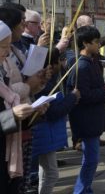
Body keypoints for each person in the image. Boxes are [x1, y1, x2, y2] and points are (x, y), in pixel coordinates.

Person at [67, 26, 105, 194]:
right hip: (86, 119)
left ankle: (85, 188)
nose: (99, 45)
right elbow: (84, 96)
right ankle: (81, 190)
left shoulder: (91, 62)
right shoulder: (81, 66)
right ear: (85, 43)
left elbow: (96, 88)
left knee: (91, 158)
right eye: (96, 42)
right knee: (91, 159)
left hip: (92, 117)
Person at [0, 19, 47, 193]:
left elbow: (13, 122)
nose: (7, 52)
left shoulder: (2, 76)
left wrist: (33, 114)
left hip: (8, 155)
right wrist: (12, 115)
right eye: (3, 46)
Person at [31, 48, 80, 194]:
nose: (62, 63)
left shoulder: (47, 80)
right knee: (52, 174)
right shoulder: (44, 84)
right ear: (51, 64)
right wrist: (72, 97)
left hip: (45, 133)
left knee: (44, 171)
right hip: (45, 133)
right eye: (59, 60)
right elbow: (54, 112)